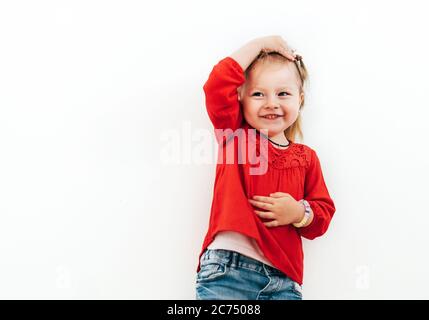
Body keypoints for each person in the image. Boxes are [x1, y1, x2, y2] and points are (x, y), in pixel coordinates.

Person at [195, 35, 336, 300]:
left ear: (300, 98)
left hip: (284, 282)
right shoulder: (235, 135)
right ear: (241, 98)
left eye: (283, 93)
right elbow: (216, 84)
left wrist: (298, 212)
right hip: (227, 271)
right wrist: (261, 45)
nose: (271, 103)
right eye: (258, 94)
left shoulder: (307, 158)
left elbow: (322, 215)